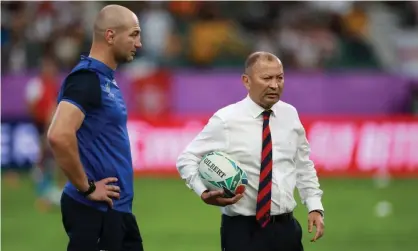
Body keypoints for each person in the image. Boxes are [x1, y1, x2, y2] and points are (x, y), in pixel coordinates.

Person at [176, 52, 325, 251]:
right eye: (266, 78)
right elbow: (187, 158)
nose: (274, 85)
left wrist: (314, 206)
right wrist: (203, 192)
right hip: (243, 231)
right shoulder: (226, 119)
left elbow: (303, 165)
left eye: (279, 78)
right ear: (246, 81)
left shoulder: (289, 114)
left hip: (286, 229)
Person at [47, 4, 143, 251]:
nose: (139, 43)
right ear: (110, 36)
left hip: (115, 211)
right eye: (133, 34)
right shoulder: (86, 79)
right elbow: (58, 135)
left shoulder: (104, 80)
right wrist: (86, 187)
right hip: (96, 212)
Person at [25, 55, 61, 211]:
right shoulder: (36, 85)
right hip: (41, 126)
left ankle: (49, 190)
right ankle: (43, 191)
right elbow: (32, 107)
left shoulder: (54, 85)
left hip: (52, 125)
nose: (51, 71)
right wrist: (43, 124)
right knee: (45, 157)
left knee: (51, 158)